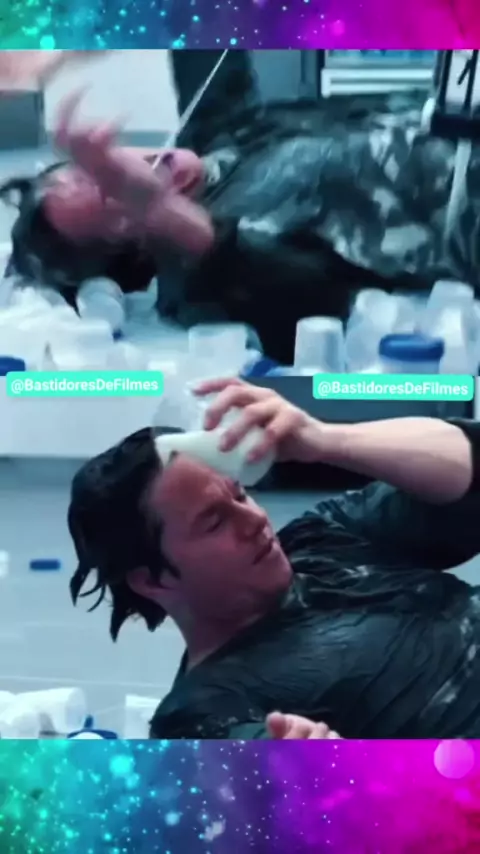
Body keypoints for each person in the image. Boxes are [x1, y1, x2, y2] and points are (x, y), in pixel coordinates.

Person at [2, 49, 479, 364]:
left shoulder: (217, 135)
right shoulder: (205, 280)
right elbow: (276, 283)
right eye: (115, 199)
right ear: (135, 252)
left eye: (100, 171)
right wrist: (158, 206)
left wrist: (60, 46)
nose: (130, 172)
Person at [69, 377, 480, 739]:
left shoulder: (321, 538)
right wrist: (310, 771)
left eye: (240, 495)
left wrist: (325, 440)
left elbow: (471, 471)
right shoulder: (199, 714)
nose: (255, 520)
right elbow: (290, 780)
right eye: (215, 522)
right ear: (153, 580)